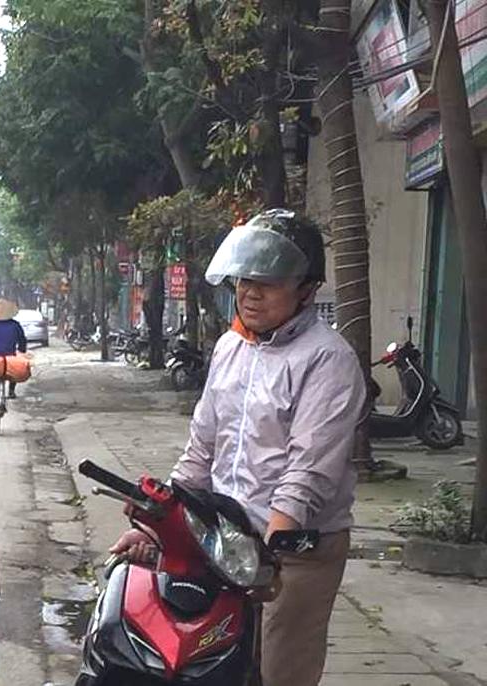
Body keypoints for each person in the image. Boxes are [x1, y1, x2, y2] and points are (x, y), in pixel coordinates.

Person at [110, 209, 366, 686]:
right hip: (224, 538)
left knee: (278, 670)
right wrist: (160, 526)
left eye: (267, 282)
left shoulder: (328, 360)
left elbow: (308, 472)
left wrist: (270, 549)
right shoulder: (232, 347)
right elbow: (202, 447)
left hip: (292, 550)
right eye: (244, 278)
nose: (249, 292)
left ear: (306, 290)